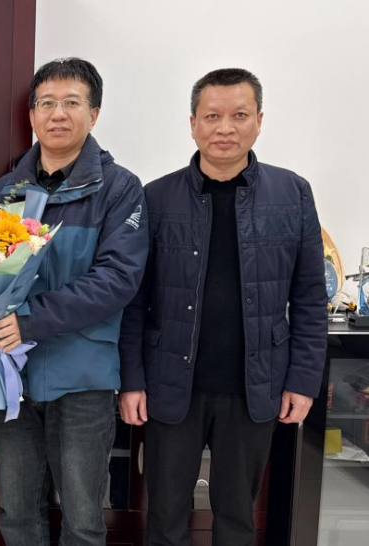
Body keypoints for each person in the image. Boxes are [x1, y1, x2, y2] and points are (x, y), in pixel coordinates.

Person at [118, 68, 327, 546]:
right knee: (164, 516)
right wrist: (131, 380)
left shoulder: (293, 193)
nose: (225, 128)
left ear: (259, 121)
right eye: (212, 116)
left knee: (237, 517)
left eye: (239, 115)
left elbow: (310, 297)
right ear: (192, 123)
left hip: (254, 385)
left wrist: (302, 381)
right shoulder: (157, 196)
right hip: (171, 384)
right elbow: (134, 300)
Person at [0, 57, 149, 545]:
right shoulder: (5, 190)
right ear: (31, 114)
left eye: (71, 102)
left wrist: (29, 320)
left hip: (83, 377)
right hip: (12, 375)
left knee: (82, 519)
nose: (58, 114)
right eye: (47, 103)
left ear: (93, 114)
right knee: (17, 513)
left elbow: (116, 280)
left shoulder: (121, 189)